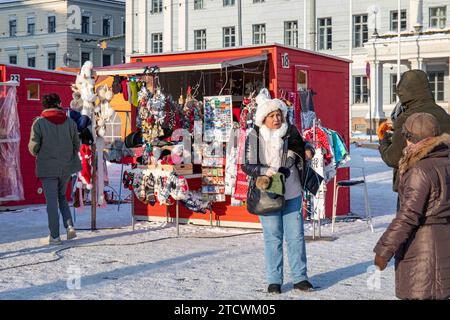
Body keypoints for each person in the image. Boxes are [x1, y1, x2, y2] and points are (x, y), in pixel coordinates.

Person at [374, 113, 450, 300]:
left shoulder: (420, 170)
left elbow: (408, 216)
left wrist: (383, 251)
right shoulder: (445, 161)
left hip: (422, 253)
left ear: (410, 139)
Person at [242, 98, 314, 294]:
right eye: (272, 115)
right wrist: (266, 170)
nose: (276, 119)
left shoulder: (290, 132)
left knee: (296, 236)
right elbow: (246, 165)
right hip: (268, 193)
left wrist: (309, 149)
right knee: (273, 237)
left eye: (279, 115)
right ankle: (274, 280)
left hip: (291, 191)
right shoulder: (254, 136)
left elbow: (305, 144)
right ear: (263, 118)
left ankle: (300, 278)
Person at [378, 70, 450, 202]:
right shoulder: (444, 115)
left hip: (414, 186)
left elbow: (393, 158)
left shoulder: (406, 118)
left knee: (410, 220)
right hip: (444, 185)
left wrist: (383, 141)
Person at [28, 94, 82, 245]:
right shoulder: (70, 123)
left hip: (47, 168)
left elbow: (33, 147)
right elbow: (76, 145)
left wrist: (39, 152)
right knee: (62, 197)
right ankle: (70, 225)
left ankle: (55, 236)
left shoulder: (39, 123)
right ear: (58, 104)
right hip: (66, 167)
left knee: (51, 202)